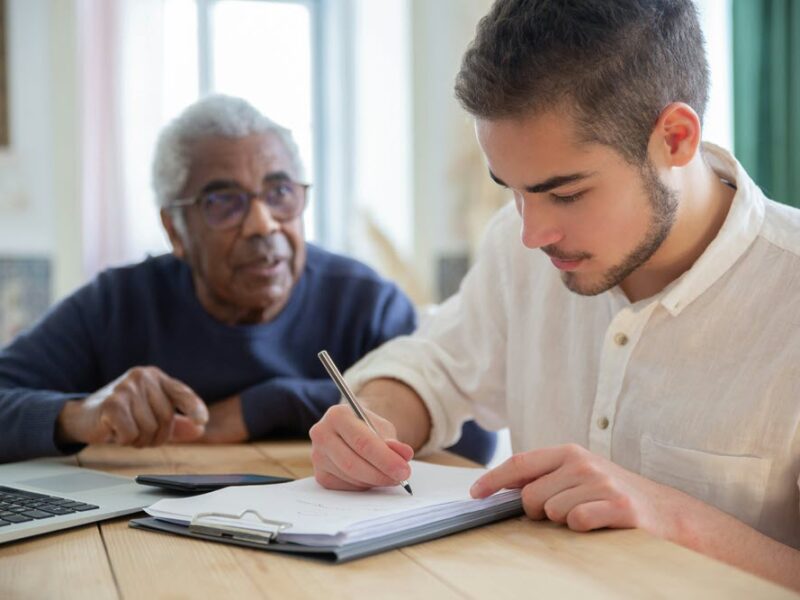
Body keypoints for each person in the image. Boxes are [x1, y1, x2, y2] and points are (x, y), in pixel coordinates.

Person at [308, 0, 800, 590]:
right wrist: (370, 419)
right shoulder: (518, 247)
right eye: (511, 189)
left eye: (566, 194)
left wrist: (671, 517)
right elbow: (434, 366)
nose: (531, 233)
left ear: (675, 138)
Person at [0, 94, 495, 465]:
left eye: (280, 193)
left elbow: (469, 433)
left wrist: (270, 404)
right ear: (174, 229)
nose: (263, 224)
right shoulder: (119, 304)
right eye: (224, 202)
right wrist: (78, 415)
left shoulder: (364, 301)